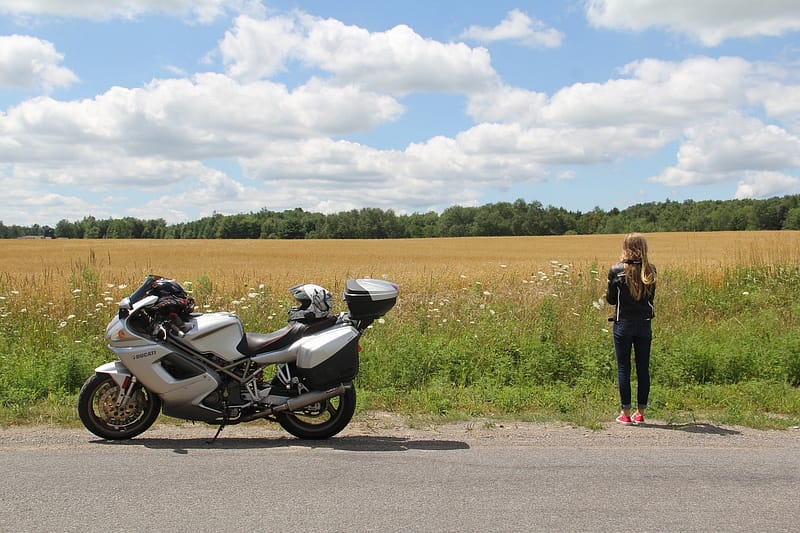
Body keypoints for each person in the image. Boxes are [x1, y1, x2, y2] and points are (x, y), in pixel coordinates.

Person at [606, 233, 657, 425]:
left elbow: (611, 299)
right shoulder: (651, 270)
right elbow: (650, 299)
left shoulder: (616, 270)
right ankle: (640, 412)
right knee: (643, 368)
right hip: (644, 324)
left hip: (623, 324)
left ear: (625, 247)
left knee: (623, 368)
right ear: (644, 247)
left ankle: (625, 413)